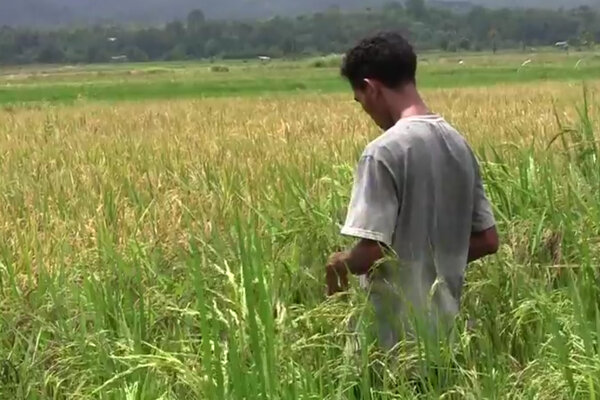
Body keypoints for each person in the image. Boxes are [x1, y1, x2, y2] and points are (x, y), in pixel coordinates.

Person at [326, 31, 499, 350]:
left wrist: (338, 263)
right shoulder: (458, 144)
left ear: (371, 87)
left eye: (360, 101)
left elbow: (372, 253)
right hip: (445, 341)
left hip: (389, 345)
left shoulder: (383, 152)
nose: (366, 112)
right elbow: (488, 240)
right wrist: (432, 260)